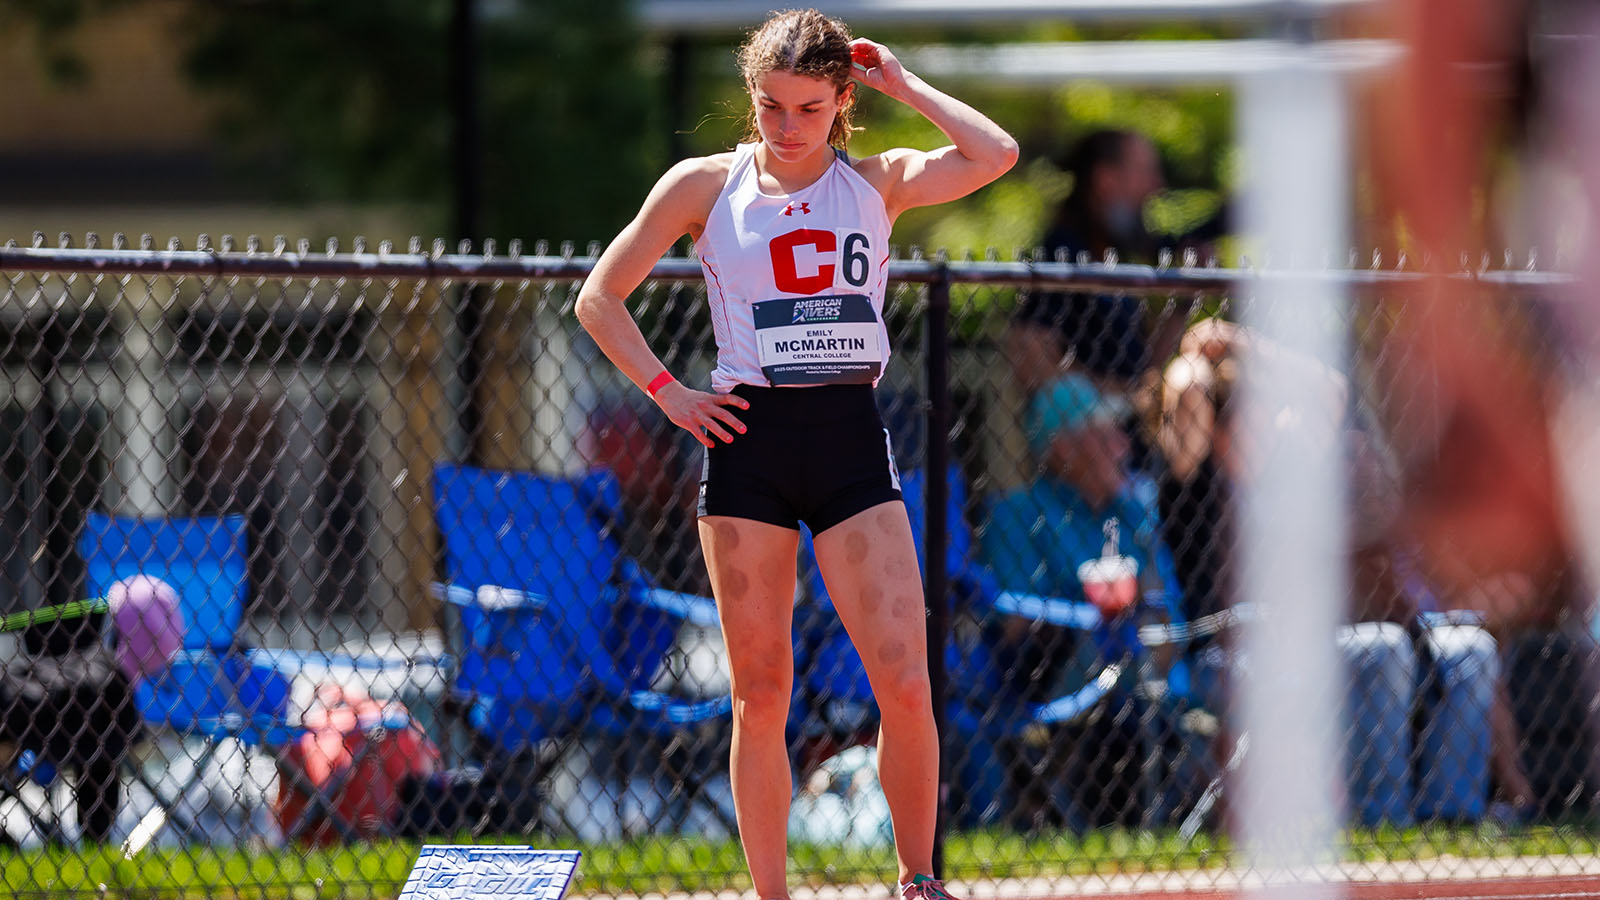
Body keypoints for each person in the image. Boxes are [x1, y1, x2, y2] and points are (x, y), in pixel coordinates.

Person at [574, 10, 1017, 899]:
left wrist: (904, 85)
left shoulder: (877, 182)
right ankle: (770, 893)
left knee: (904, 679)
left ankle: (919, 878)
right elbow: (599, 298)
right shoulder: (705, 185)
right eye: (769, 105)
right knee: (760, 694)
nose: (785, 126)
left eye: (808, 109)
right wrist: (672, 395)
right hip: (749, 446)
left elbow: (995, 154)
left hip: (849, 438)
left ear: (841, 103)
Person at [979, 373, 1191, 829]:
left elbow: (1169, 617)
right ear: (1063, 450)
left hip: (1146, 673)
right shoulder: (1018, 513)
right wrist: (1096, 610)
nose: (1123, 446)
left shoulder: (1134, 514)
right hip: (1055, 676)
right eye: (1105, 433)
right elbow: (1018, 625)